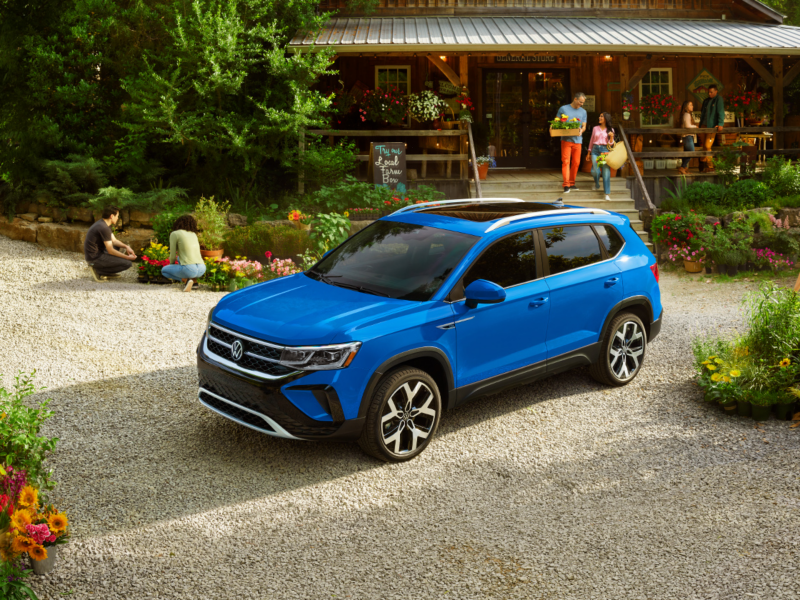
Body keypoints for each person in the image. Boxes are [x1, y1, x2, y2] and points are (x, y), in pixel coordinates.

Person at [84, 206, 137, 282]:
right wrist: (127, 257)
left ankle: (104, 269)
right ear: (112, 216)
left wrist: (126, 246)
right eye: (117, 216)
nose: (118, 218)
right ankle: (99, 271)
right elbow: (110, 251)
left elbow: (114, 241)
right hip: (94, 258)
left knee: (118, 246)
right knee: (127, 263)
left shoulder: (104, 224)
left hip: (97, 253)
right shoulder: (103, 228)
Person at [161, 215, 206, 292]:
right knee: (180, 258)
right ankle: (194, 282)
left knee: (164, 270)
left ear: (178, 223)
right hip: (202, 268)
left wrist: (171, 265)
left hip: (190, 269)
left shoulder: (175, 233)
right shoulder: (193, 234)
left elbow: (172, 255)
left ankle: (186, 280)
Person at [555, 92, 587, 193]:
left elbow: (584, 126)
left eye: (583, 103)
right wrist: (561, 124)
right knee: (566, 162)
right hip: (566, 140)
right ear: (575, 99)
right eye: (580, 102)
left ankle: (572, 182)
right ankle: (566, 185)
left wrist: (581, 130)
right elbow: (556, 122)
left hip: (578, 141)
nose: (581, 104)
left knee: (576, 163)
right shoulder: (563, 109)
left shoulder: (583, 112)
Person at [586, 112, 615, 201]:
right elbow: (591, 140)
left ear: (606, 118)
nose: (599, 117)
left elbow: (611, 144)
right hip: (595, 150)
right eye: (600, 116)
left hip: (605, 151)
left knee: (606, 173)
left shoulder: (611, 130)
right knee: (596, 171)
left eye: (601, 116)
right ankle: (597, 184)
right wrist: (588, 152)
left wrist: (611, 137)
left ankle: (607, 193)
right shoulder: (595, 128)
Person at [699, 84, 725, 172]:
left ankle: (710, 166)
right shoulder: (706, 101)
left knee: (707, 145)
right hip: (703, 125)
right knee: (704, 146)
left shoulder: (719, 99)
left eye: (711, 92)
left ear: (716, 91)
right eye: (708, 92)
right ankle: (702, 165)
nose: (709, 94)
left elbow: (721, 111)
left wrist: (720, 123)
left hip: (711, 126)